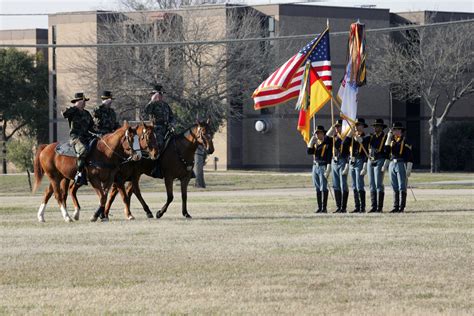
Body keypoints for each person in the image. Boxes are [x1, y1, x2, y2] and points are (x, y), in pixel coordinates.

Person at [141, 84, 175, 178]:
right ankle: (156, 168)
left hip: (167, 128)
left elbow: (172, 117)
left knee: (177, 143)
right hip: (156, 129)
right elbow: (145, 112)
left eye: (161, 94)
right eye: (158, 94)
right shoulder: (152, 105)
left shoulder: (166, 105)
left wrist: (172, 124)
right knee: (159, 145)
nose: (160, 95)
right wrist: (152, 101)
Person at [62, 92, 95, 186]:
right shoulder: (73, 111)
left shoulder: (87, 113)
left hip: (87, 136)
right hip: (76, 137)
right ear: (78, 101)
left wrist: (98, 134)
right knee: (83, 149)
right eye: (83, 101)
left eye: (85, 101)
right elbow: (64, 114)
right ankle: (79, 173)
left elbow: (91, 127)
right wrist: (76, 106)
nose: (85, 103)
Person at [385, 122, 414, 213]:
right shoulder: (392, 140)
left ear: (400, 130)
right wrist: (388, 138)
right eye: (393, 129)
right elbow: (386, 151)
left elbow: (409, 155)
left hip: (401, 163)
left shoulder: (405, 141)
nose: (394, 131)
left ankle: (402, 207)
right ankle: (395, 206)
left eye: (396, 129)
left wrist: (409, 167)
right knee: (394, 186)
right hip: (392, 163)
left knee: (402, 185)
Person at [326, 119, 351, 213]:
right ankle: (338, 206)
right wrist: (331, 128)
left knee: (343, 184)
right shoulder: (334, 137)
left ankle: (343, 207)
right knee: (336, 185)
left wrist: (347, 165)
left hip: (343, 161)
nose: (336, 128)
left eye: (338, 126)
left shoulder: (347, 137)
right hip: (334, 161)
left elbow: (349, 151)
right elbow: (326, 138)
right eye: (336, 127)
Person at [307, 125, 332, 213]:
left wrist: (328, 167)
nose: (317, 135)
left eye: (319, 133)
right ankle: (319, 207)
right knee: (317, 187)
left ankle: (324, 208)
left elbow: (329, 156)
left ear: (323, 133)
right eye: (316, 133)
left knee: (323, 187)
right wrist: (311, 142)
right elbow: (309, 152)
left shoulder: (327, 143)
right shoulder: (315, 143)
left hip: (322, 166)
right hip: (315, 166)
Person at [367, 119, 390, 212]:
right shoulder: (371, 137)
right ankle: (373, 206)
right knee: (371, 184)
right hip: (371, 159)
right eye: (375, 126)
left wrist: (386, 163)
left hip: (380, 159)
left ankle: (379, 207)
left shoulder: (385, 137)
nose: (376, 128)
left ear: (381, 127)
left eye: (378, 126)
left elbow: (387, 151)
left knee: (378, 184)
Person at [349, 118, 370, 213]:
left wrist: (365, 166)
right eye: (356, 125)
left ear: (363, 127)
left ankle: (362, 207)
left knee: (359, 185)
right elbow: (344, 144)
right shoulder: (352, 137)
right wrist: (350, 134)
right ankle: (357, 206)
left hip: (360, 161)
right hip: (352, 161)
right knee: (354, 185)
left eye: (359, 125)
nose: (358, 127)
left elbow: (361, 141)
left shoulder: (366, 137)